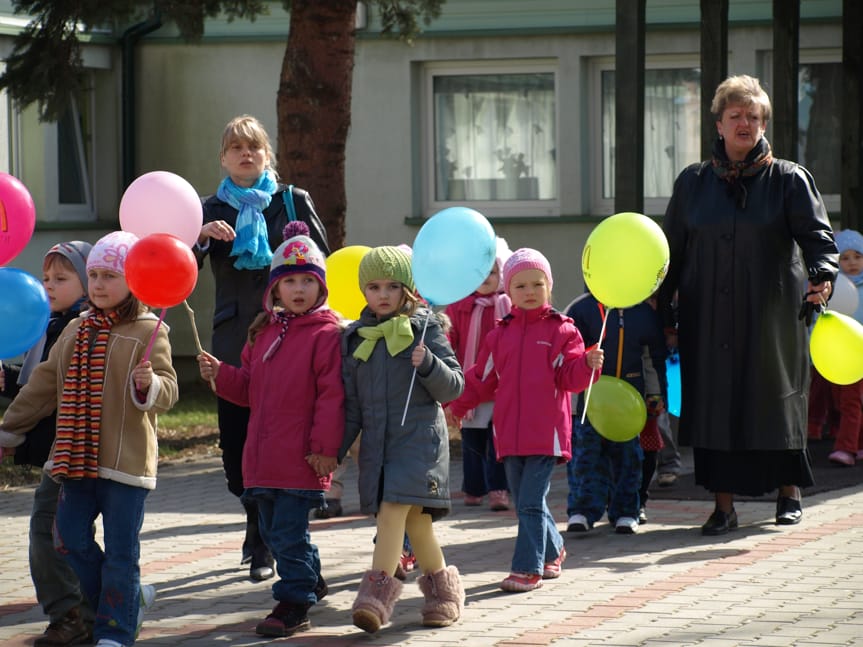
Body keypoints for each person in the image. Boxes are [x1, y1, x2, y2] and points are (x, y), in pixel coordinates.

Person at [657, 74, 839, 536]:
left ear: (763, 124)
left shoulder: (789, 179)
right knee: (716, 406)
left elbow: (818, 238)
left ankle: (788, 493)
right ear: (718, 123)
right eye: (735, 115)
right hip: (707, 316)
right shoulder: (693, 183)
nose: (745, 123)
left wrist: (824, 275)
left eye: (753, 117)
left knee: (774, 402)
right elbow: (669, 253)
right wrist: (662, 311)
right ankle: (723, 507)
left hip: (772, 315)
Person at [0, 231, 179, 647]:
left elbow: (168, 391)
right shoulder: (77, 328)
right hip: (74, 460)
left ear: (133, 280)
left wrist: (149, 386)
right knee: (67, 539)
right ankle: (126, 602)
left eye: (109, 276)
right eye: (94, 275)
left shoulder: (150, 330)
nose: (97, 285)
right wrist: (11, 427)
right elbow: (44, 384)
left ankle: (115, 630)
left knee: (121, 553)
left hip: (125, 464)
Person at [193, 114, 330, 581]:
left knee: (281, 438)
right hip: (235, 338)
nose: (245, 155)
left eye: (254, 148)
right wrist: (200, 238)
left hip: (289, 337)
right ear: (223, 158)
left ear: (266, 155)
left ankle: (267, 537)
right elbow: (178, 272)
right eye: (236, 148)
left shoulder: (292, 200)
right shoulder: (207, 209)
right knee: (237, 451)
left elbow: (319, 263)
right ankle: (257, 517)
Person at [197, 222, 344, 638]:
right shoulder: (262, 332)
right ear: (274, 288)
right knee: (273, 531)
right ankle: (310, 579)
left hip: (301, 457)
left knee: (286, 534)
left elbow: (333, 398)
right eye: (289, 280)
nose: (298, 289)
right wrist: (221, 375)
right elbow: (248, 390)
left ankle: (293, 601)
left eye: (307, 281)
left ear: (321, 287)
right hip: (261, 457)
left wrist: (324, 449)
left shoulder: (326, 335)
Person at [450, 249, 604, 592]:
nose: (529, 291)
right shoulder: (499, 334)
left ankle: (527, 569)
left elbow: (570, 377)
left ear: (549, 286)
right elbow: (481, 378)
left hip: (546, 433)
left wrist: (588, 365)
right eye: (520, 285)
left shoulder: (562, 330)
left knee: (531, 503)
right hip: (508, 433)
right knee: (526, 503)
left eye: (537, 283)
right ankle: (554, 549)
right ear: (509, 290)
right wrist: (456, 406)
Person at [340, 246, 465, 633]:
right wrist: (335, 448)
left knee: (392, 510)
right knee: (417, 524)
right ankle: (445, 592)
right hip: (379, 446)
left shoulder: (427, 328)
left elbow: (455, 387)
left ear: (407, 290)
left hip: (419, 443)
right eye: (374, 286)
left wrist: (428, 363)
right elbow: (352, 406)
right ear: (364, 291)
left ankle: (375, 598)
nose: (383, 294)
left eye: (392, 286)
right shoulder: (355, 339)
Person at [0, 241, 93, 647]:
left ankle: (73, 613)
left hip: (78, 448)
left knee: (49, 528)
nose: (49, 286)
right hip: (60, 449)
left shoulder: (83, 328)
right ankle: (96, 607)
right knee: (65, 532)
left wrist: (12, 429)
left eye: (61, 277)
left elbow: (49, 390)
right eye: (45, 278)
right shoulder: (49, 325)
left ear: (88, 280)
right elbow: (34, 383)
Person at [565, 293, 666, 535]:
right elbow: (567, 356)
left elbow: (651, 358)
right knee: (586, 457)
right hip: (591, 400)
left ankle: (626, 511)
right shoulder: (581, 309)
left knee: (628, 458)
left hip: (629, 402)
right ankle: (583, 510)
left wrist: (655, 394)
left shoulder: (643, 313)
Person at [444, 237, 512, 511]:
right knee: (472, 441)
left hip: (499, 386)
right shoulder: (460, 305)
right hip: (471, 385)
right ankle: (473, 487)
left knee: (498, 442)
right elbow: (449, 338)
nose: (486, 278)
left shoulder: (507, 305)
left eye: (492, 272)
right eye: (480, 272)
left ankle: (499, 488)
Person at [818, 229, 863, 466]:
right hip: (840, 354)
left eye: (857, 256)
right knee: (839, 401)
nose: (852, 262)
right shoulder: (832, 288)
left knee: (851, 403)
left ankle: (846, 448)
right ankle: (857, 442)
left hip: (858, 355)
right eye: (845, 258)